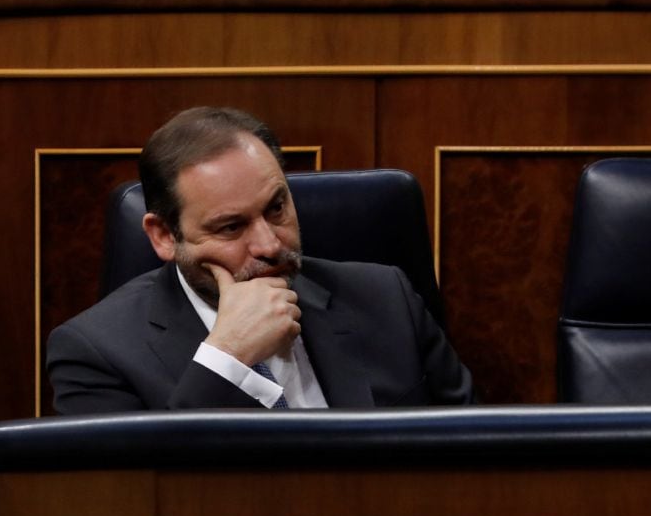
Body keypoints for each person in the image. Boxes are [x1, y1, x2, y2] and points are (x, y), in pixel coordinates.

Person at [46, 106, 474, 413]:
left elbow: (477, 456)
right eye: (231, 227)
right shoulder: (95, 353)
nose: (269, 244)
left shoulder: (386, 298)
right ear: (163, 236)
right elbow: (133, 509)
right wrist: (226, 356)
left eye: (276, 208)